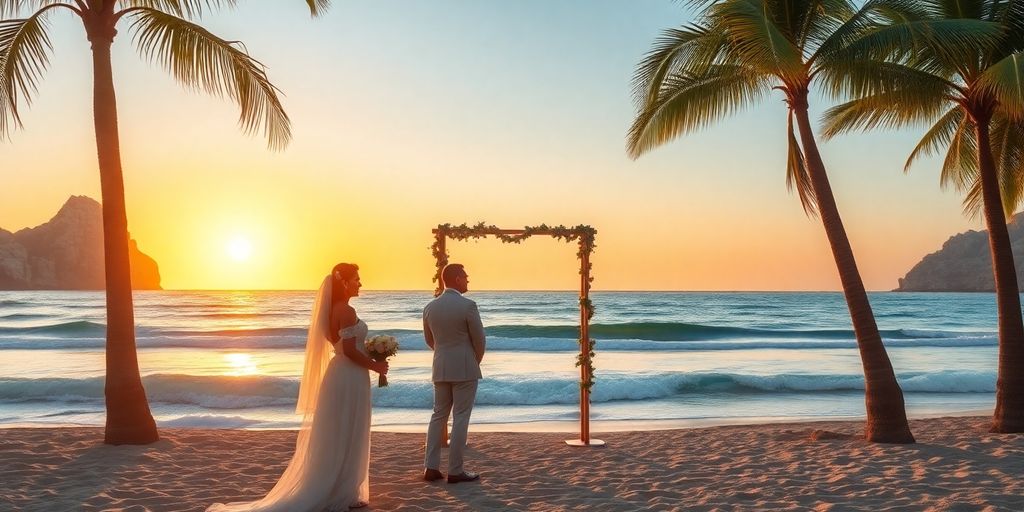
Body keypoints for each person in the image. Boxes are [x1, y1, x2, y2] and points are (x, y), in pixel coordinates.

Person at [208, 263, 388, 511]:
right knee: (349, 428)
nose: (360, 283)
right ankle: (344, 491)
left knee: (341, 430)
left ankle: (343, 488)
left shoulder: (332, 310)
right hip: (349, 375)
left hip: (341, 373)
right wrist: (375, 366)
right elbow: (348, 350)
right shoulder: (346, 310)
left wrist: (370, 356)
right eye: (356, 279)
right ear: (344, 282)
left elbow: (343, 346)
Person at [422, 263, 486, 484]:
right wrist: (474, 359)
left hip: (440, 366)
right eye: (465, 276)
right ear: (457, 279)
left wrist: (443, 354)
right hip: (465, 367)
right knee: (461, 417)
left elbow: (429, 340)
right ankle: (455, 470)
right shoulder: (468, 306)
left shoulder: (430, 307)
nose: (468, 280)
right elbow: (479, 339)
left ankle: (430, 467)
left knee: (438, 416)